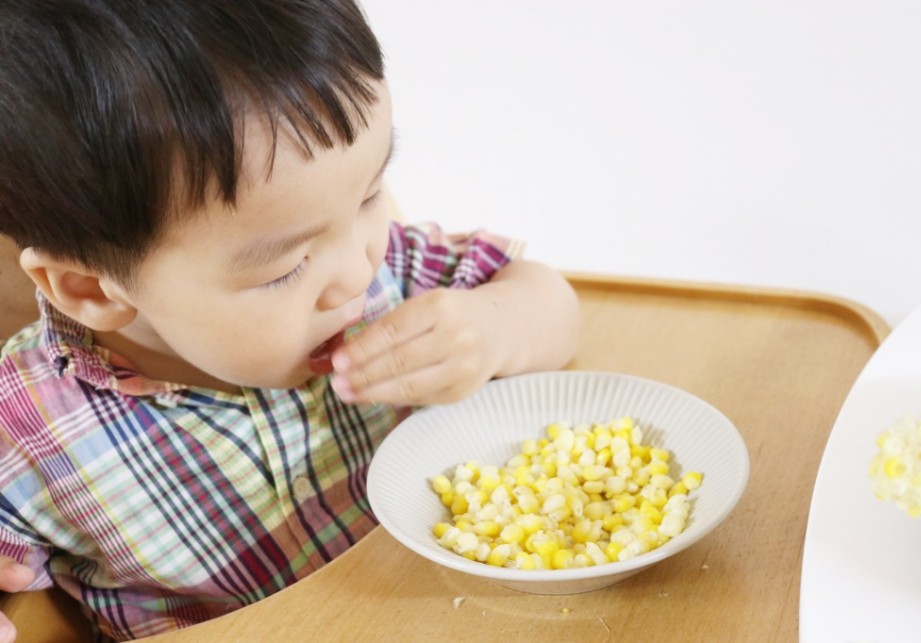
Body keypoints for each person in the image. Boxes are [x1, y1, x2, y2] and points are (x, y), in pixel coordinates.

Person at [0, 0, 580, 640]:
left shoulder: (400, 277)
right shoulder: (26, 428)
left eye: (368, 196)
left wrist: (494, 326)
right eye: (286, 267)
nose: (358, 272)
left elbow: (552, 306)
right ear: (88, 287)